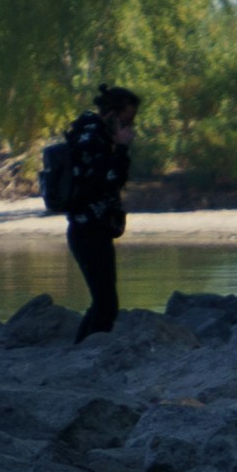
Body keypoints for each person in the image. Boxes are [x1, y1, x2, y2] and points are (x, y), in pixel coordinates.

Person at [64, 83, 141, 337]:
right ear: (112, 114)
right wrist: (121, 148)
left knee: (103, 300)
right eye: (126, 120)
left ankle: (81, 350)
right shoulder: (92, 140)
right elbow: (108, 180)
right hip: (89, 230)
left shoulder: (89, 134)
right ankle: (87, 352)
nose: (129, 126)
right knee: (106, 303)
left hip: (89, 228)